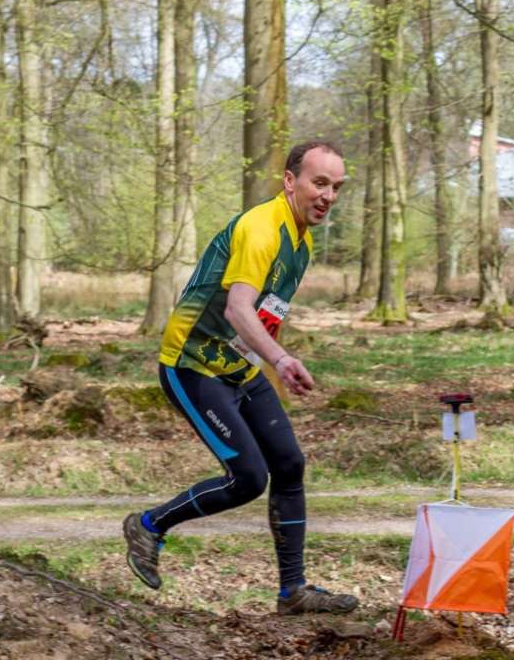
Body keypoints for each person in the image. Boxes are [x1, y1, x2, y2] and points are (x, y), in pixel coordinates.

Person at [122, 141, 358, 615]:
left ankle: (293, 592)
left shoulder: (301, 241)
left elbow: (267, 314)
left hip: (239, 368)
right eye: (319, 182)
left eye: (336, 186)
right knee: (250, 477)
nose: (328, 195)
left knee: (288, 464)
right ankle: (148, 525)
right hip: (192, 366)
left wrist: (268, 357)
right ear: (290, 181)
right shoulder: (261, 229)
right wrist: (282, 360)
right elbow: (237, 307)